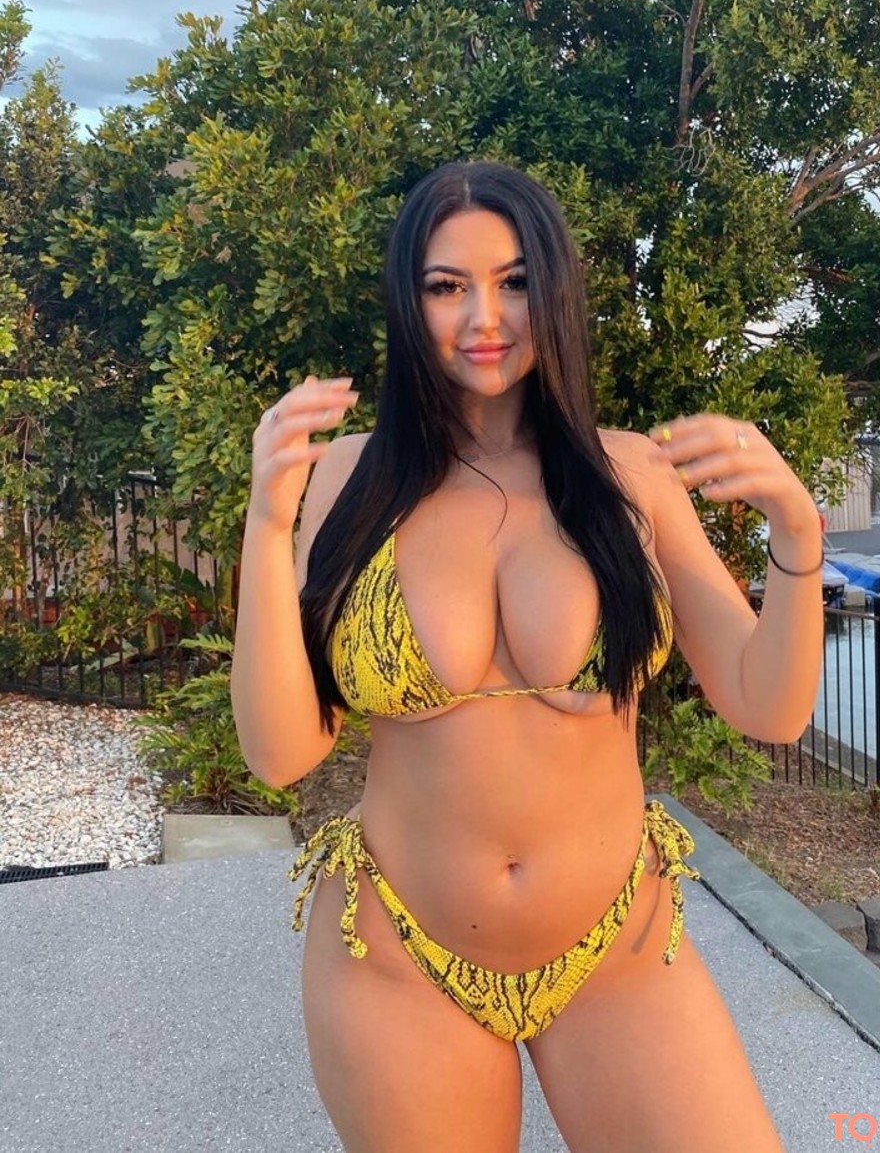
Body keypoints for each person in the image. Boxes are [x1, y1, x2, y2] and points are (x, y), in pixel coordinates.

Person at [231, 160, 824, 1153]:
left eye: (513, 280)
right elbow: (281, 752)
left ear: (555, 289)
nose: (484, 317)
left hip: (617, 947)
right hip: (397, 954)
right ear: (408, 301)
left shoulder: (631, 475)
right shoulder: (345, 478)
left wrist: (798, 535)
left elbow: (770, 706)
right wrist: (265, 521)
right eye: (446, 285)